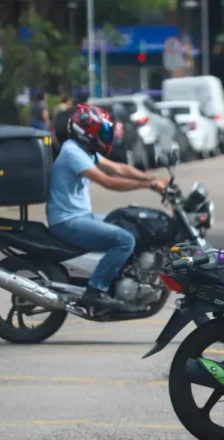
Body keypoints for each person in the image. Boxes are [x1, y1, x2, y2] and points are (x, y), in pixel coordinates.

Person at [47, 104, 168, 312]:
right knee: (124, 240)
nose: (104, 136)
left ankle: (120, 280)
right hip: (67, 221)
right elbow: (108, 181)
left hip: (82, 216)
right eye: (100, 132)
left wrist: (153, 179)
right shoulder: (72, 152)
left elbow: (118, 168)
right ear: (86, 132)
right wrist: (148, 185)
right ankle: (96, 290)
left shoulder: (86, 151)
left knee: (130, 227)